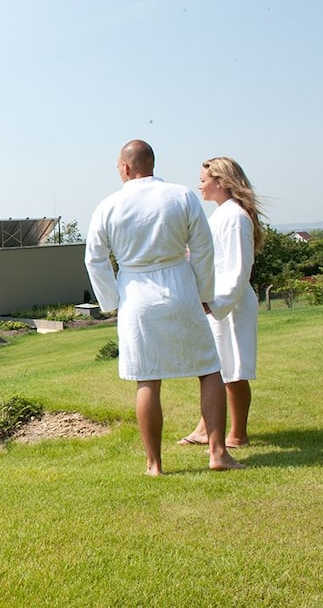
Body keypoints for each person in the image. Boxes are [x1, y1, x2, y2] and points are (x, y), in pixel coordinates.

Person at [84, 139, 244, 475]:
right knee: (209, 369)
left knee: (147, 378)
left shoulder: (108, 206)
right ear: (152, 163)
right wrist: (204, 292)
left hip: (135, 295)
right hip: (180, 287)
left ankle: (154, 464)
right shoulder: (182, 195)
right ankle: (218, 453)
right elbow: (203, 248)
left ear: (126, 167)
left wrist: (112, 302)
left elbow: (94, 259)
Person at [178, 156, 264, 449]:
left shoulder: (235, 218)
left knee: (234, 369)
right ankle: (206, 428)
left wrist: (216, 304)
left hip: (232, 305)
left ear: (221, 182)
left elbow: (239, 269)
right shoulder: (221, 215)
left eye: (203, 180)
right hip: (215, 302)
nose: (199, 185)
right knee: (215, 367)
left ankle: (238, 434)